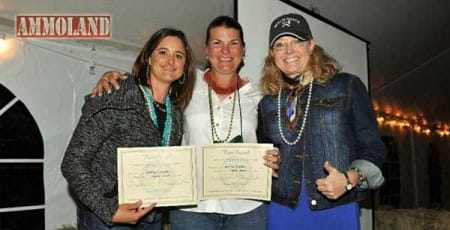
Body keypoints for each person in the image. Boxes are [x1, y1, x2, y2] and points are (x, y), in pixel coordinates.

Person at [90, 16, 280, 230]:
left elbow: (274, 140)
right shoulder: (184, 85)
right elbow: (150, 82)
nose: (225, 51)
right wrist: (114, 78)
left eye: (233, 43)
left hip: (246, 208)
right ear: (206, 51)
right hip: (192, 209)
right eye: (217, 43)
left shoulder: (260, 95)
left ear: (243, 51)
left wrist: (275, 156)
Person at [256, 13, 386, 230]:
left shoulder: (347, 86)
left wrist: (348, 179)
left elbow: (374, 149)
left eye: (297, 41)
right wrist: (266, 161)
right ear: (272, 54)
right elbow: (263, 152)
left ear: (311, 45)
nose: (289, 51)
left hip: (335, 208)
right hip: (281, 209)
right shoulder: (267, 103)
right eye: (280, 45)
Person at [61, 27, 196, 230]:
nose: (171, 61)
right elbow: (73, 162)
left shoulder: (175, 112)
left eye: (178, 56)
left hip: (151, 217)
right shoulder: (115, 93)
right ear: (148, 58)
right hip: (108, 218)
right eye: (163, 52)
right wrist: (109, 210)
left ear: (184, 67)